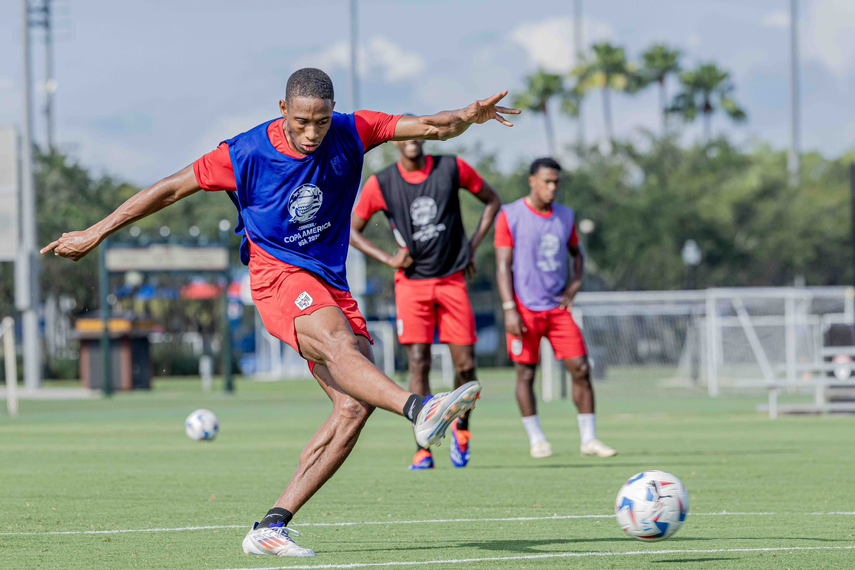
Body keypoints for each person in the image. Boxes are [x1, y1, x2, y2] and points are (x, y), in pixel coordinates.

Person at [42, 68, 519, 557]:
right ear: (282, 110)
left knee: (353, 408)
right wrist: (96, 231)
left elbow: (432, 127)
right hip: (277, 278)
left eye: (322, 121)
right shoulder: (245, 152)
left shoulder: (354, 129)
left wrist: (467, 117)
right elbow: (169, 188)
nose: (313, 133)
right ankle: (420, 409)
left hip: (330, 281)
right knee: (337, 345)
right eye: (302, 122)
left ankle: (270, 526)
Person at [350, 139, 501, 470]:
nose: (412, 140)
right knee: (418, 362)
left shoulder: (450, 168)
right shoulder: (382, 182)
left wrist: (472, 248)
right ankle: (423, 447)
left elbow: (493, 200)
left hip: (452, 280)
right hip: (411, 285)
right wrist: (388, 258)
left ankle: (462, 429)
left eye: (417, 133)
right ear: (397, 143)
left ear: (424, 138)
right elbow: (353, 229)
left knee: (465, 364)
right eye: (405, 135)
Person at [494, 157, 616, 460]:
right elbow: (502, 265)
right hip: (523, 309)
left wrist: (574, 284)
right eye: (546, 181)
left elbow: (578, 255)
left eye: (556, 182)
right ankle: (537, 439)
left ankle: (589, 439)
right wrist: (509, 307)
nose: (552, 187)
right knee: (525, 374)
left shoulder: (565, 216)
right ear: (532, 181)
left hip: (557, 310)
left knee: (582, 369)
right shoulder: (510, 215)